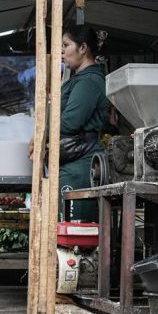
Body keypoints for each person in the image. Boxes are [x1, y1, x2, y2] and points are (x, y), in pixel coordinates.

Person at [53, 25, 110, 222]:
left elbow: (69, 122)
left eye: (66, 44)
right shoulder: (79, 79)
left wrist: (42, 134)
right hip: (72, 162)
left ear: (83, 48)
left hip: (80, 166)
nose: (61, 50)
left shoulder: (89, 81)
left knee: (75, 234)